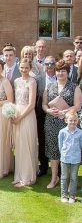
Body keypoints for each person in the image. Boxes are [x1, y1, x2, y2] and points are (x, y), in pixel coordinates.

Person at [42, 59, 81, 189]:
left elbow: (77, 105)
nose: (60, 73)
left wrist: (64, 112)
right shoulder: (49, 86)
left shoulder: (74, 87)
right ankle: (54, 178)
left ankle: (69, 181)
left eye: (63, 71)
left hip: (68, 124)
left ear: (67, 72)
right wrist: (48, 110)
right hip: (51, 122)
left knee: (69, 151)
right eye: (58, 71)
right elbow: (44, 104)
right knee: (54, 151)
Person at [12, 58, 38, 187]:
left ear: (30, 68)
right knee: (19, 146)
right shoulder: (16, 81)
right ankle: (19, 175)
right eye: (21, 67)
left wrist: (20, 117)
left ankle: (27, 178)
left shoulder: (32, 81)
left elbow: (32, 104)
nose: (23, 70)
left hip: (27, 116)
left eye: (26, 68)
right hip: (17, 113)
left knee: (27, 145)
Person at [35, 56, 56, 177]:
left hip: (57, 115)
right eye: (47, 64)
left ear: (55, 65)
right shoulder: (39, 79)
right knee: (42, 141)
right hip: (42, 115)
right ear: (44, 65)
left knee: (56, 141)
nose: (49, 66)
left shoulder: (61, 77)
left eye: (52, 63)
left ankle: (57, 168)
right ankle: (43, 166)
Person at [58, 111, 82, 203]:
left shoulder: (80, 133)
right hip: (65, 158)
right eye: (70, 120)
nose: (73, 122)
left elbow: (80, 145)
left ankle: (72, 196)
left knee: (73, 177)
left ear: (78, 121)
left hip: (76, 159)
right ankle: (64, 195)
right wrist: (63, 154)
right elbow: (60, 145)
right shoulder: (62, 132)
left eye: (75, 120)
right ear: (66, 120)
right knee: (64, 177)